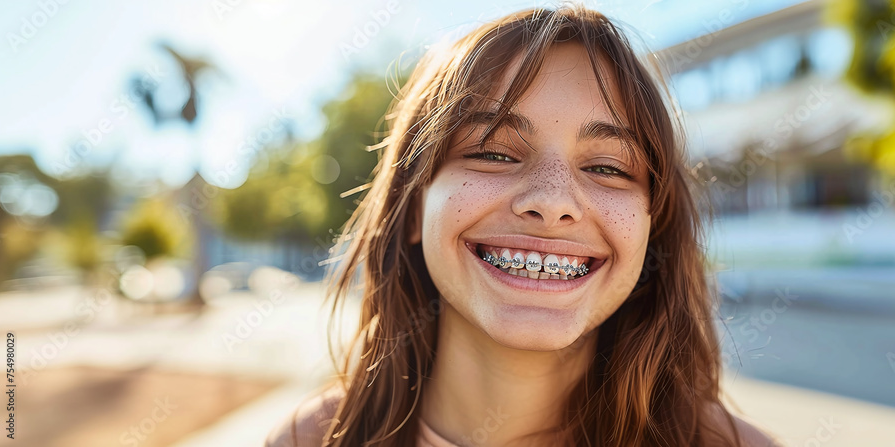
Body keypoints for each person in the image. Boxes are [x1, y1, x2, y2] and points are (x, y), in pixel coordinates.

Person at [267, 4, 776, 446]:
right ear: (414, 208)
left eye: (607, 167)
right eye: (493, 152)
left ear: (651, 226)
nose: (553, 203)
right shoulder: (307, 441)